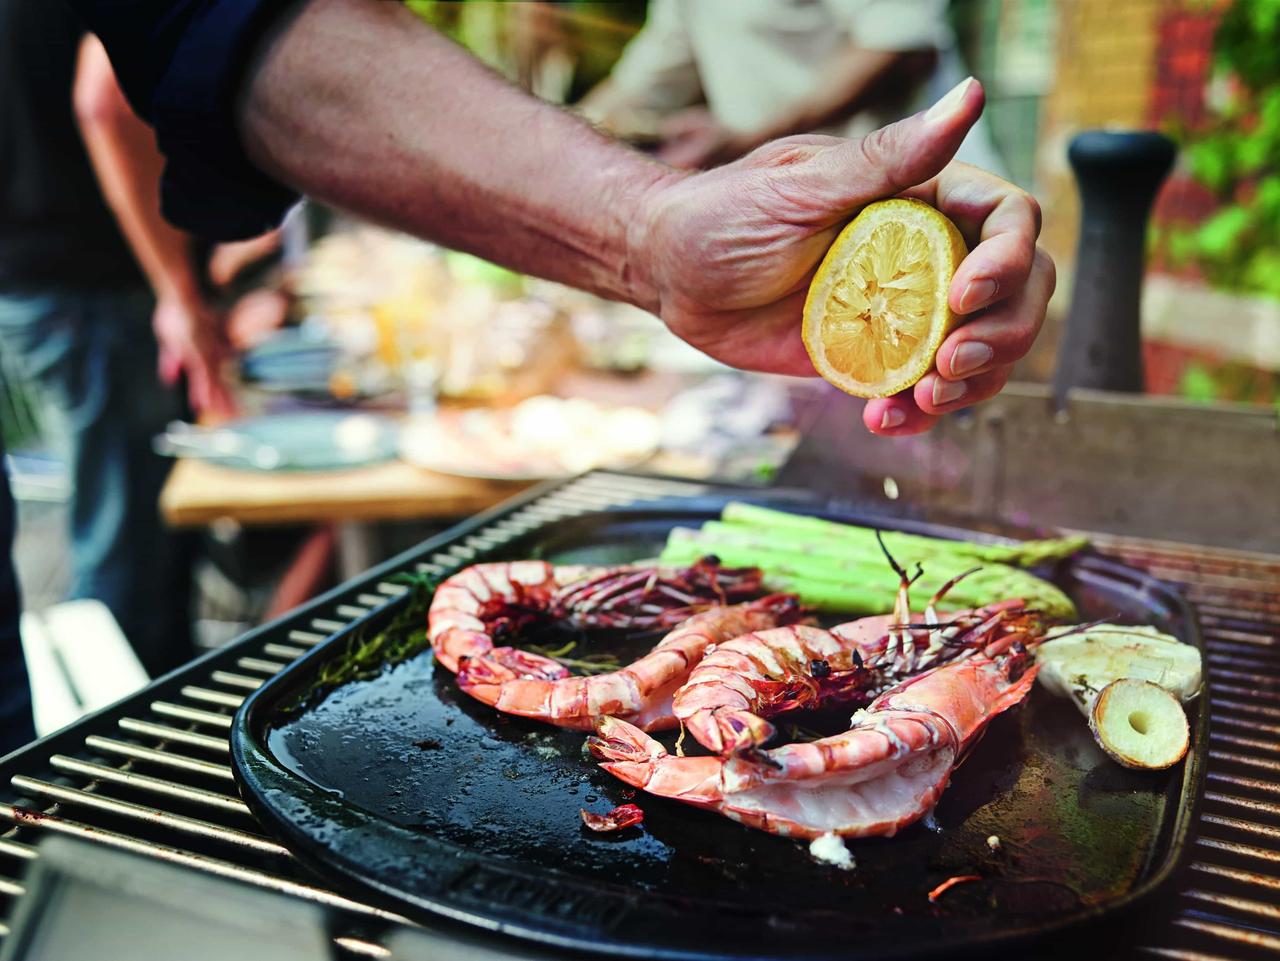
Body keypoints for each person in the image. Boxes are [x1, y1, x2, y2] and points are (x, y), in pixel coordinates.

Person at [0, 0, 231, 700]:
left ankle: (169, 711)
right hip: (90, 288)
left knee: (140, 527)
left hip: (49, 281)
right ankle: (112, 772)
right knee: (126, 542)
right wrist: (179, 292)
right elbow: (105, 103)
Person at [579, 0, 1006, 175]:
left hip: (913, 186)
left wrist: (750, 139)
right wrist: (559, 141)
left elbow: (899, 51)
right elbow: (640, 85)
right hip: (784, 197)